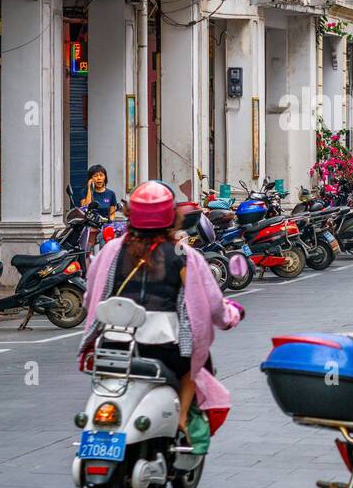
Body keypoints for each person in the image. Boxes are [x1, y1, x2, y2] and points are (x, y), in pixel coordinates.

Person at [77, 181, 242, 433]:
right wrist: (230, 315)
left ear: (131, 215)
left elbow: (91, 298)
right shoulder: (184, 254)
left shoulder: (110, 250)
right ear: (171, 217)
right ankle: (182, 419)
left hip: (112, 342)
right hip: (164, 347)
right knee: (193, 366)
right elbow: (211, 303)